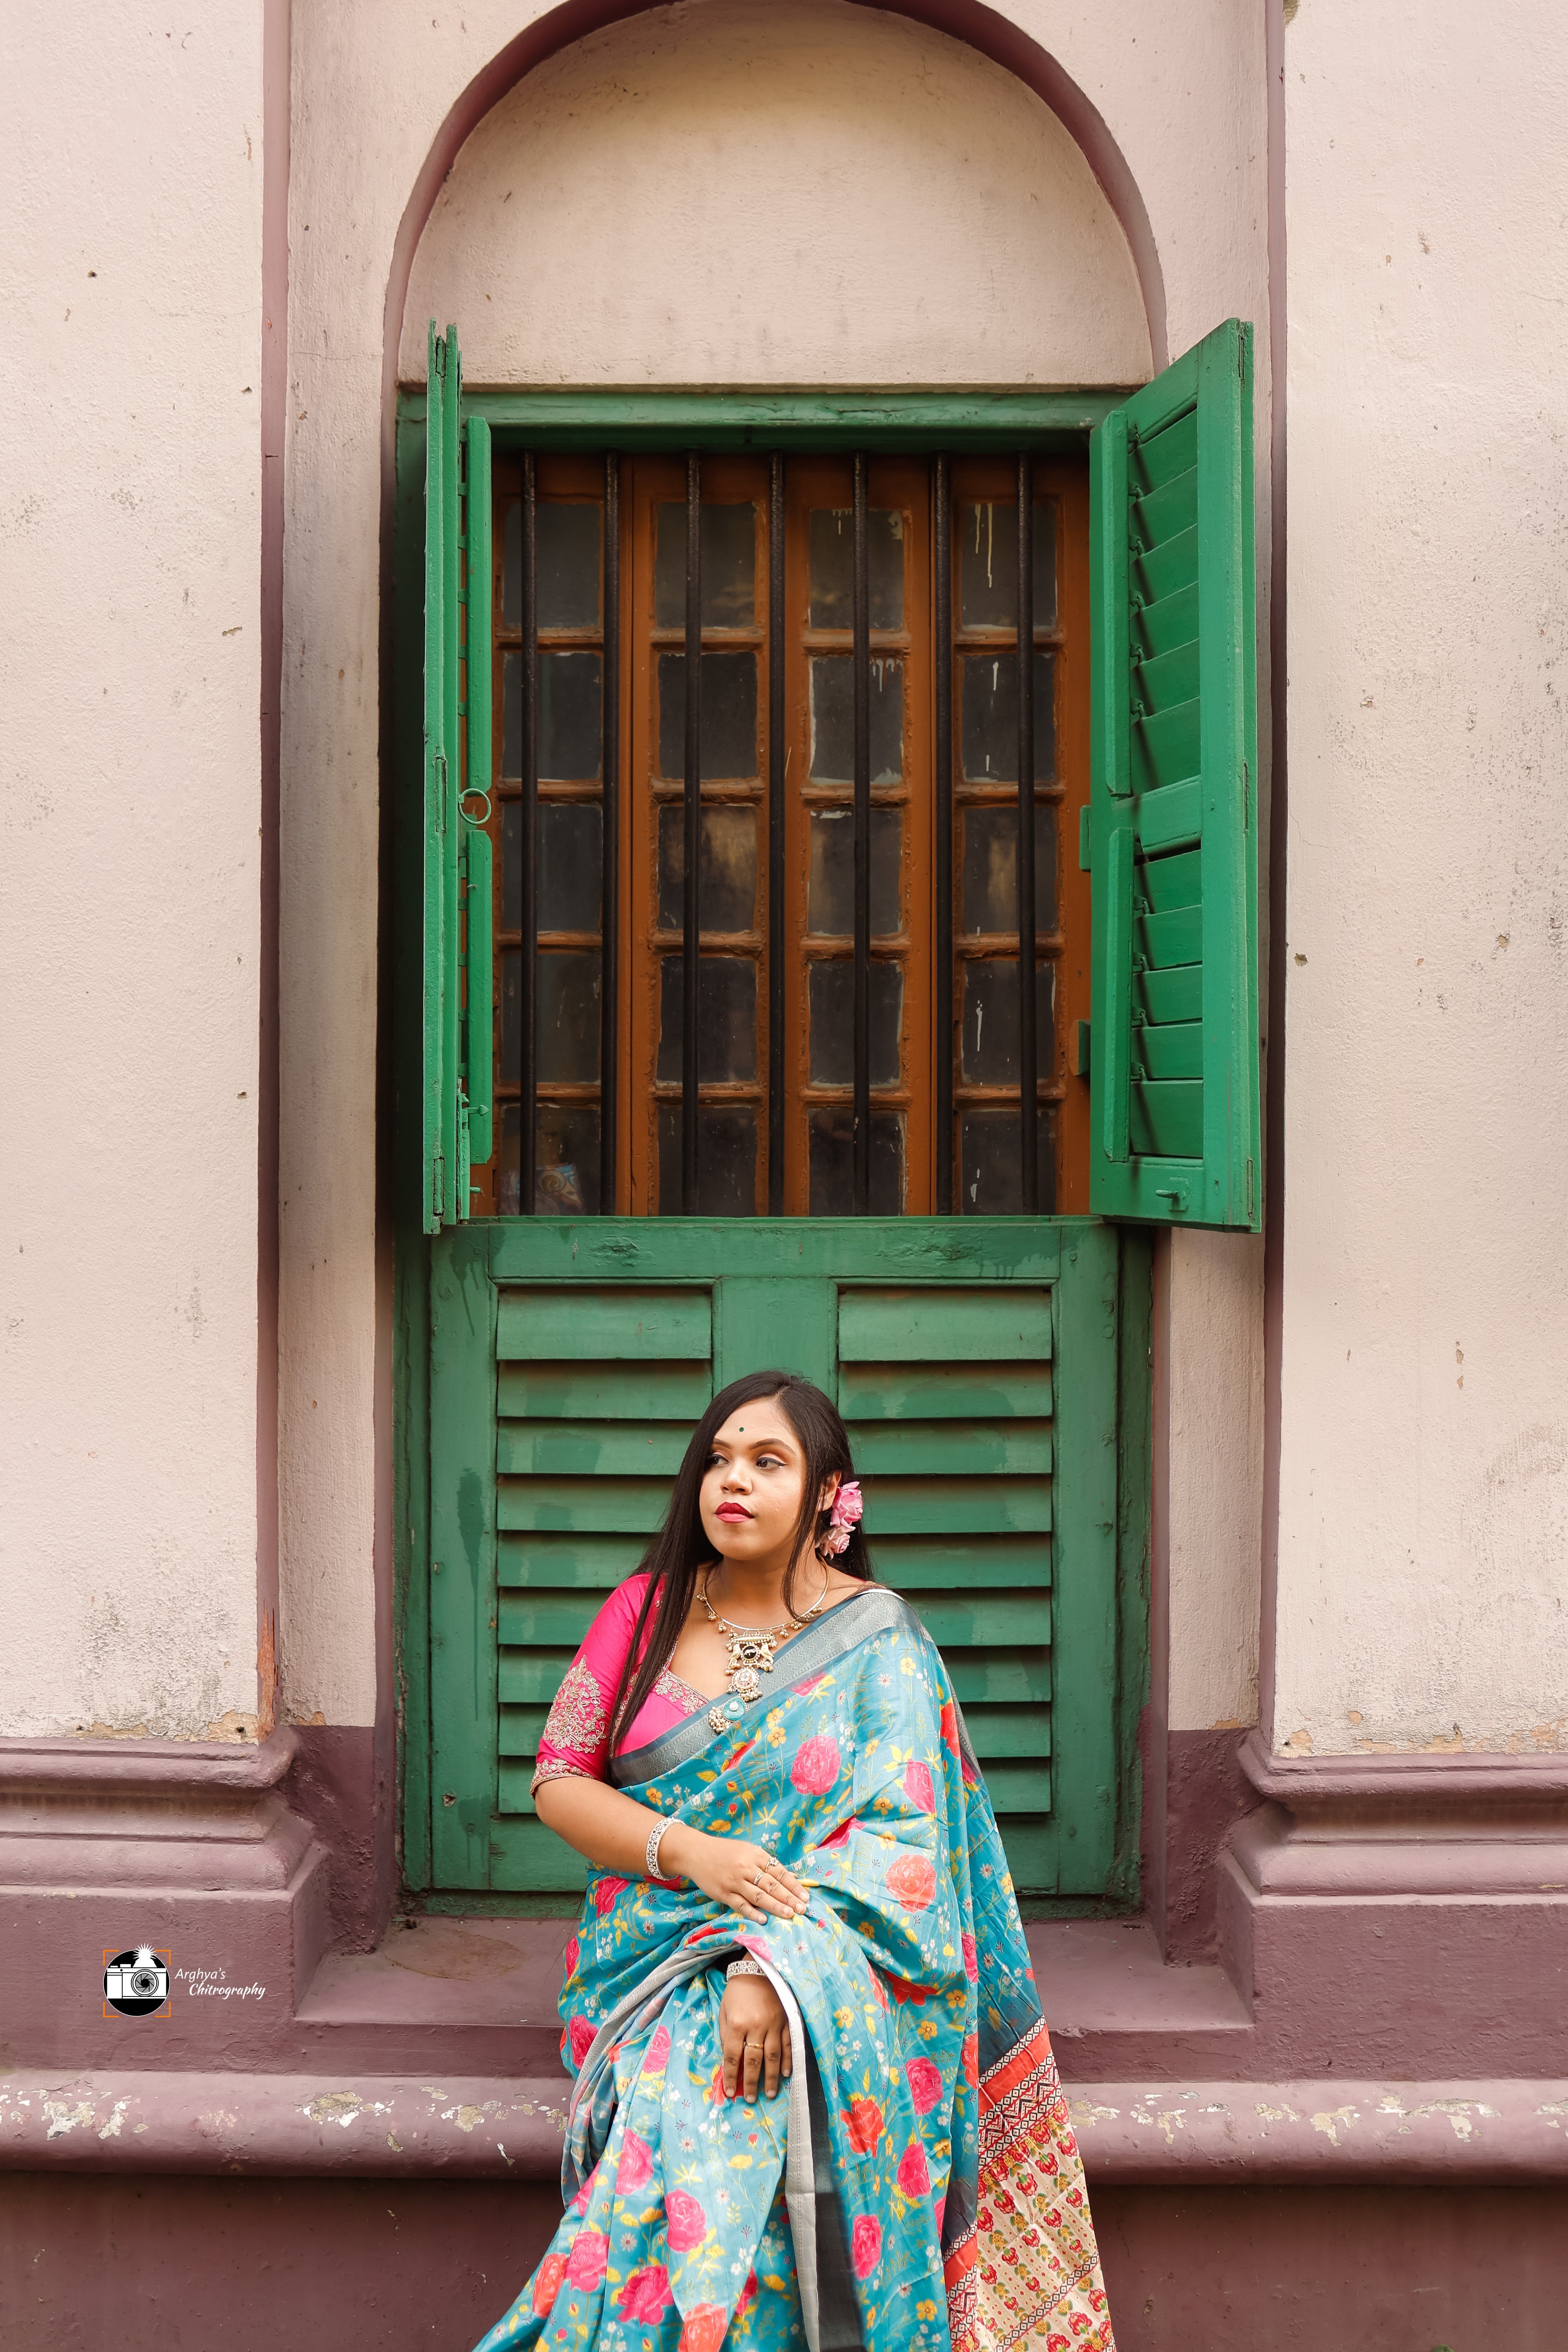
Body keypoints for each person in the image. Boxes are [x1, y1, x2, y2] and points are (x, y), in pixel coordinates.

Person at [474, 1371, 1115, 2352]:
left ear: (828, 1493)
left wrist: (771, 1967)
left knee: (761, 2088)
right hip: (651, 1953)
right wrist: (691, 1852)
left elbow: (899, 1846)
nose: (732, 1480)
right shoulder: (641, 1610)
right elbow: (559, 1777)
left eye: (766, 1461)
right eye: (718, 1459)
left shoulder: (879, 1640)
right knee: (693, 2090)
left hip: (829, 1962)